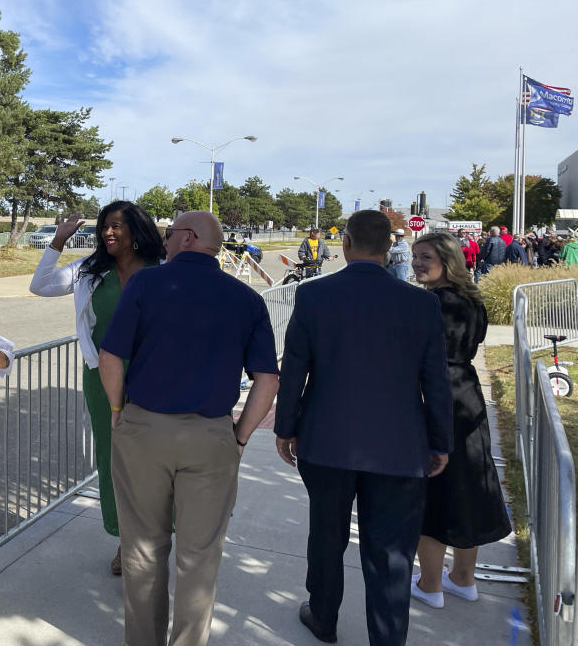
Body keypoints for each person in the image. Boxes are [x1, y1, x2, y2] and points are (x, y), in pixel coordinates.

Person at [99, 210, 279, 646]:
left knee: (143, 551)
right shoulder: (247, 298)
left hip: (144, 429)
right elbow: (268, 380)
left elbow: (110, 357)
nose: (165, 239)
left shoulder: (145, 283)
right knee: (200, 558)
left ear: (189, 237)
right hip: (211, 436)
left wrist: (118, 411)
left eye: (171, 232)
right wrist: (239, 436)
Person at [274, 209, 452, 646]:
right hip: (399, 445)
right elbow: (436, 380)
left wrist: (286, 426)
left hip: (327, 441)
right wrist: (441, 441)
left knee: (326, 534)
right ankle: (387, 636)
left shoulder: (315, 296)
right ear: (389, 247)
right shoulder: (421, 303)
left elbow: (295, 368)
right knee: (391, 553)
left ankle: (323, 615)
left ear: (346, 245)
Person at [29, 200, 164, 575]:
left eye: (117, 226)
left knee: (155, 459)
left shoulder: (163, 268)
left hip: (157, 377)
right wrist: (57, 241)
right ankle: (126, 539)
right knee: (112, 458)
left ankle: (158, 535)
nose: (108, 232)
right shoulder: (89, 270)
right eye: (104, 226)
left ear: (136, 231)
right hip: (102, 378)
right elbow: (40, 286)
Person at [409, 232, 511, 608]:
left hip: (437, 394)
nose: (418, 263)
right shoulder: (472, 300)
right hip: (467, 394)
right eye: (415, 256)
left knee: (433, 491)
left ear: (448, 261)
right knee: (467, 485)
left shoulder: (430, 303)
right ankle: (463, 578)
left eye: (426, 257)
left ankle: (430, 584)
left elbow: (419, 355)